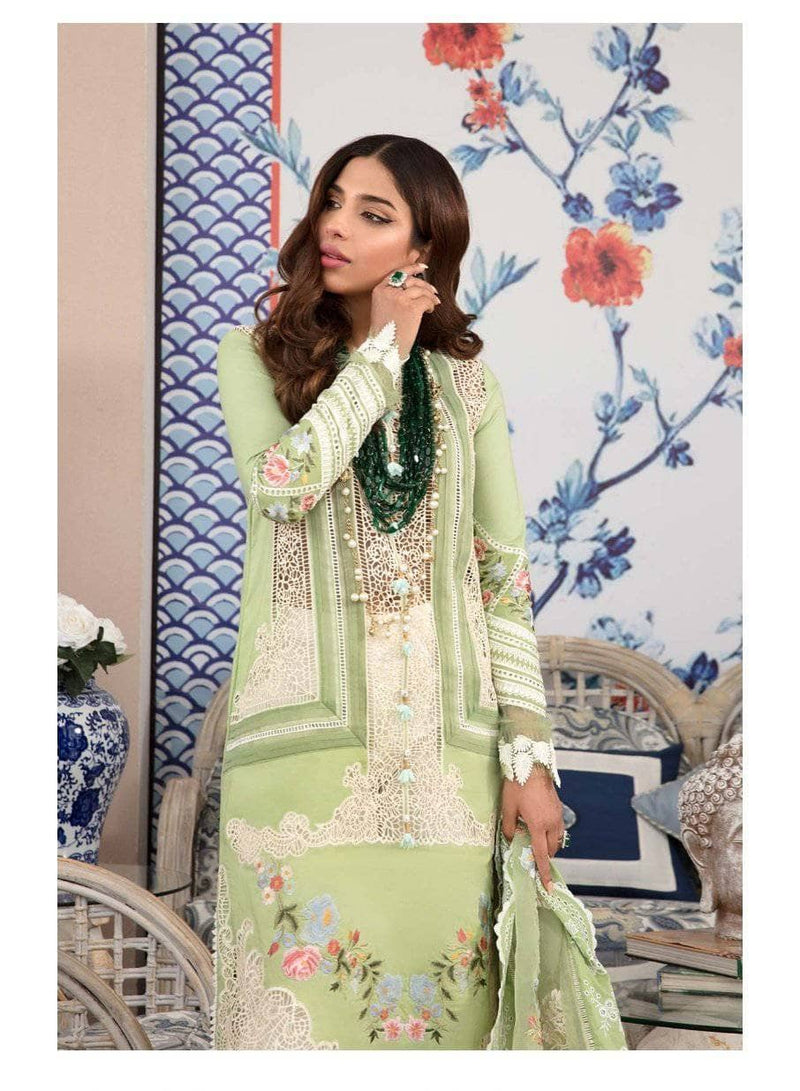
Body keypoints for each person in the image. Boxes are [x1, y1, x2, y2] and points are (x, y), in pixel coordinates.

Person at [212, 134, 626, 1049]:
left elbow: (502, 579)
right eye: (331, 201)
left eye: (372, 214)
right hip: (299, 768)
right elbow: (282, 484)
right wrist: (382, 351)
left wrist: (530, 761)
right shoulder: (254, 355)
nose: (336, 226)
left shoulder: (468, 385)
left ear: (423, 246)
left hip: (451, 765)